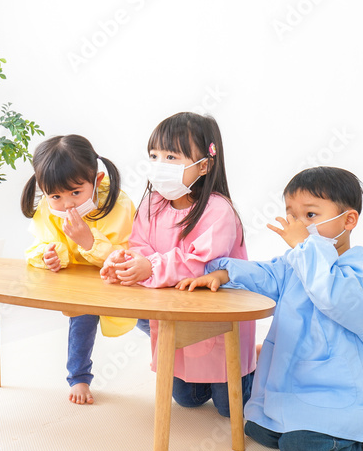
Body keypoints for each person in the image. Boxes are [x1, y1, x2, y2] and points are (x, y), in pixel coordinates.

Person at [177, 166, 363, 451]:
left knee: (301, 448)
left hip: (338, 392)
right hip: (295, 380)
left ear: (348, 220)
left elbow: (334, 298)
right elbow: (268, 274)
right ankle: (292, 418)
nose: (298, 225)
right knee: (257, 428)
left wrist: (304, 247)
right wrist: (224, 273)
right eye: (293, 215)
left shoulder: (360, 266)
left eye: (310, 215)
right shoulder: (297, 261)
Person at [101, 112, 255, 417]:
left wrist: (151, 267)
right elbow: (139, 245)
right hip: (174, 311)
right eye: (154, 156)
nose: (160, 165)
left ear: (204, 165)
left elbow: (201, 263)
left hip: (214, 318)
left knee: (230, 409)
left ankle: (258, 365)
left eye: (171, 157)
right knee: (187, 399)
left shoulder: (218, 210)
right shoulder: (152, 204)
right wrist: (124, 262)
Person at [21, 135, 136, 405]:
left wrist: (88, 242)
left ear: (96, 180)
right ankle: (78, 377)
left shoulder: (118, 204)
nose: (67, 204)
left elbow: (127, 254)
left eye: (75, 192)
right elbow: (37, 246)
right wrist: (50, 256)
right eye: (56, 196)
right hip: (81, 285)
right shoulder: (48, 209)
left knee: (149, 320)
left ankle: (172, 355)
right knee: (81, 323)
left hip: (121, 280)